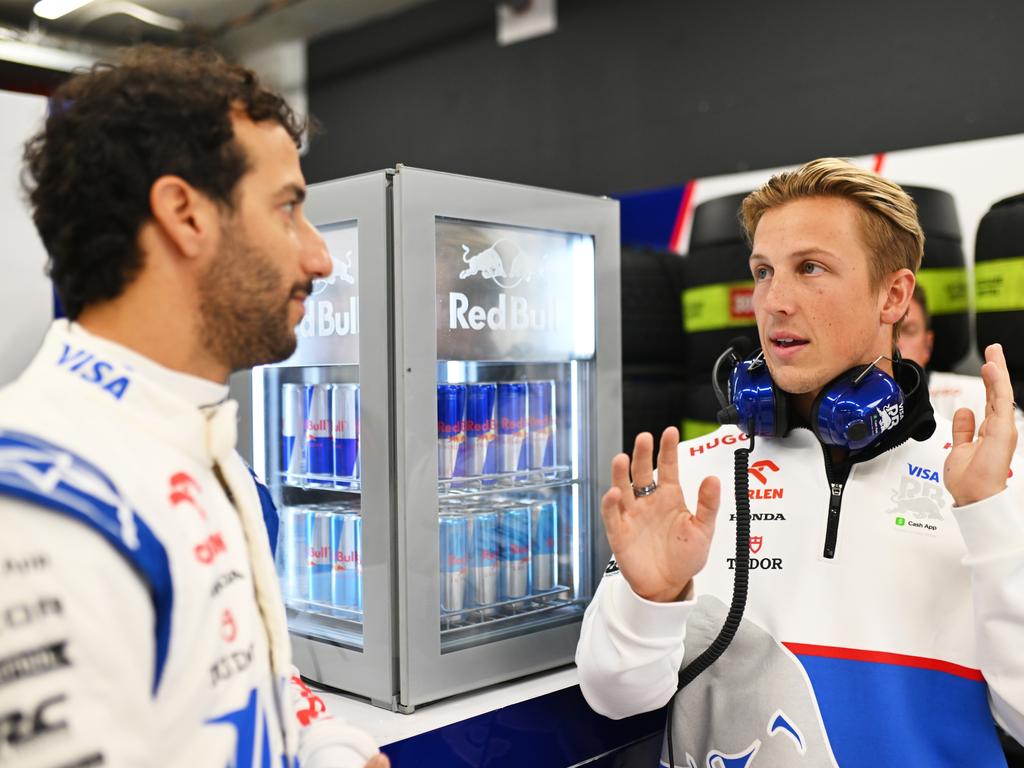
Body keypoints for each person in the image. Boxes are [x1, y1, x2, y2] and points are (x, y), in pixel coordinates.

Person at [0, 46, 388, 767]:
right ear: (184, 214)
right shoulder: (35, 503)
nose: (320, 257)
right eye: (288, 208)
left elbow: (240, 699)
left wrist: (325, 749)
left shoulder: (217, 462)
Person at [576, 158, 1022, 766]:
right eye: (763, 272)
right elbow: (613, 696)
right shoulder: (702, 480)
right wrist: (650, 599)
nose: (774, 302)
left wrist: (991, 522)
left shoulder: (985, 480)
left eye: (810, 268)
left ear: (894, 294)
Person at [899, 283, 1024, 453]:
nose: (895, 345)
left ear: (927, 346)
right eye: (888, 331)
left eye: (908, 330)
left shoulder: (978, 395)